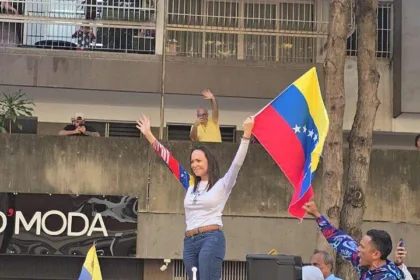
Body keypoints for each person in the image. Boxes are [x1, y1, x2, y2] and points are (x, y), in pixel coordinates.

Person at [136, 115, 254, 280]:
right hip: (189, 242)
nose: (194, 164)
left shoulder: (222, 185)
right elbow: (169, 160)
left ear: (208, 162)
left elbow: (237, 163)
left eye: (198, 160)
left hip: (211, 238)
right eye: (192, 161)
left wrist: (247, 134)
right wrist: (149, 134)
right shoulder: (191, 184)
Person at [303, 201, 405, 280]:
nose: (357, 249)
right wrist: (317, 215)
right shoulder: (363, 260)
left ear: (376, 254)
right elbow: (339, 240)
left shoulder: (387, 277)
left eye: (362, 247)